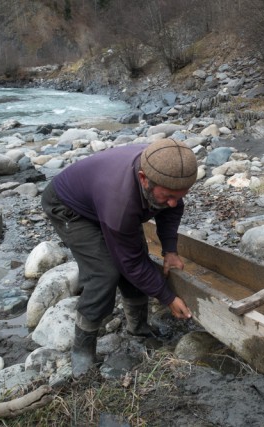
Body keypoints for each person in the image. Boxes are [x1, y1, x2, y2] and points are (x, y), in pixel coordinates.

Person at [41, 138, 198, 377]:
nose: (173, 201)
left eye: (181, 195)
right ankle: (82, 351)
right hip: (68, 206)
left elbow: (172, 208)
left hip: (103, 199)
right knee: (104, 272)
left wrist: (170, 251)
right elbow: (130, 263)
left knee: (136, 255)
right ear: (144, 179)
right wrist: (167, 297)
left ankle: (138, 328)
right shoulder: (121, 201)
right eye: (167, 195)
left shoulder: (167, 173)